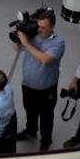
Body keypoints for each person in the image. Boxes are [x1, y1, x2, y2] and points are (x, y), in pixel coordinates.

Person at [14, 10, 65, 151]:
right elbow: (17, 49)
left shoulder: (58, 42)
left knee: (46, 117)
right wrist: (17, 38)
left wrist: (26, 43)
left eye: (43, 27)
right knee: (29, 110)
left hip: (46, 89)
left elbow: (45, 59)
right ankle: (30, 130)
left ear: (52, 27)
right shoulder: (32, 34)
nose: (39, 29)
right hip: (28, 85)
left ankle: (46, 140)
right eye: (38, 26)